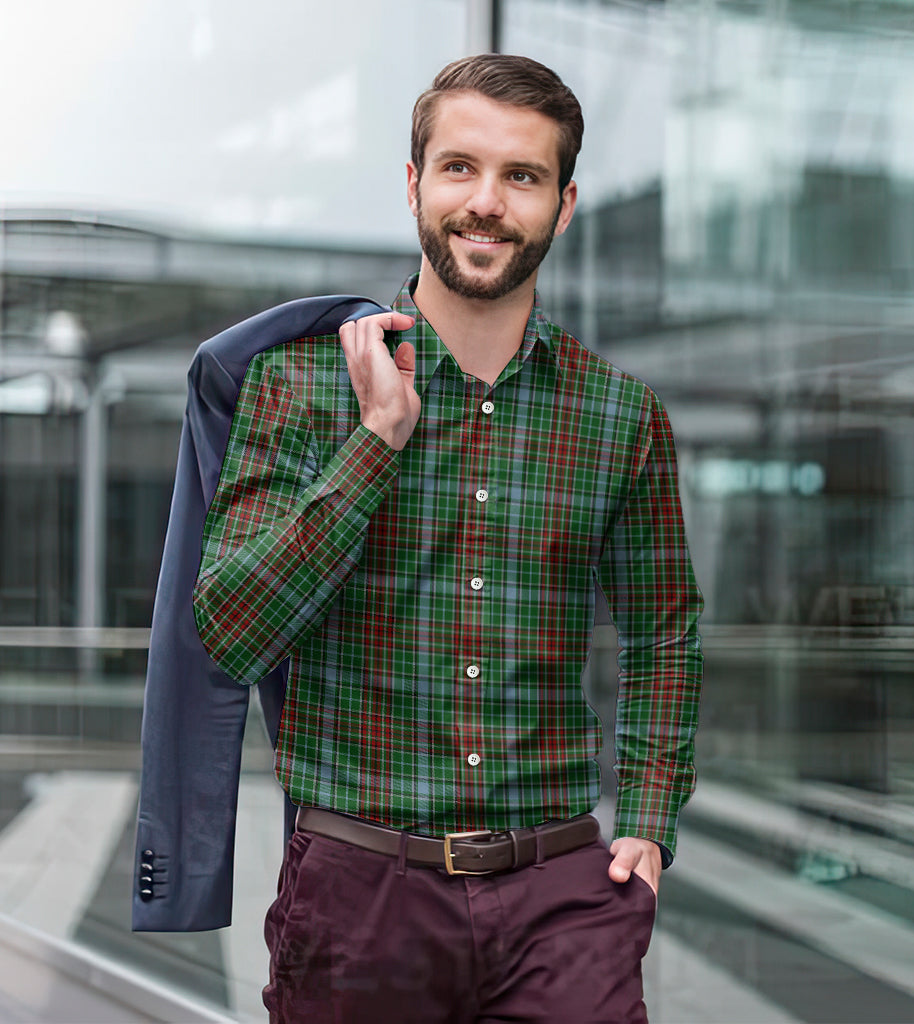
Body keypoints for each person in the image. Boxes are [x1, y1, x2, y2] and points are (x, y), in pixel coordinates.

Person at [193, 53, 703, 1023]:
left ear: (564, 203)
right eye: (460, 167)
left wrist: (645, 819)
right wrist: (377, 439)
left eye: (523, 176)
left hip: (561, 898)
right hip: (360, 897)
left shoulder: (619, 416)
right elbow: (231, 631)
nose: (487, 202)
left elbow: (663, 628)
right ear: (414, 182)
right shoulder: (299, 388)